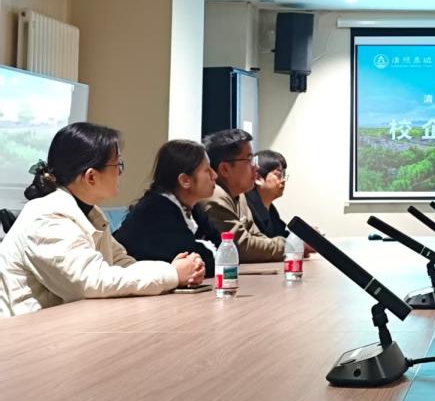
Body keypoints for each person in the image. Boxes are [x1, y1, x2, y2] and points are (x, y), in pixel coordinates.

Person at [0, 123, 205, 317]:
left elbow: (122, 264)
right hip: (29, 334)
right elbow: (91, 282)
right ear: (91, 177)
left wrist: (174, 271)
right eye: (118, 164)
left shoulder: (89, 212)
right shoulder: (46, 217)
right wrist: (171, 274)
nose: (120, 172)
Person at [115, 140, 223, 277]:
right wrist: (207, 246)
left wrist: (204, 247)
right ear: (185, 180)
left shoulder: (191, 206)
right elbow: (194, 262)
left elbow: (225, 247)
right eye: (207, 170)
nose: (214, 175)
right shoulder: (156, 210)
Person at [196, 129, 287, 262]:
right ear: (225, 169)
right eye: (249, 160)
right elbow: (241, 247)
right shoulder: (214, 195)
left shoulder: (240, 195)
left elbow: (256, 236)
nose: (256, 167)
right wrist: (289, 246)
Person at [245, 150, 290, 238]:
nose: (283, 180)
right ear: (258, 178)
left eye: (284, 175)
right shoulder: (246, 206)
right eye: (278, 175)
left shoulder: (272, 211)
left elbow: (282, 235)